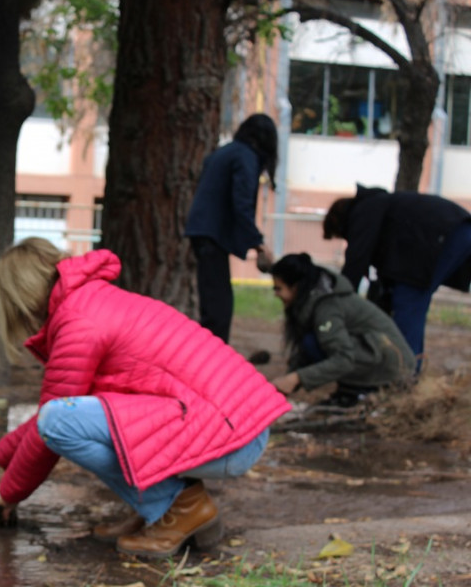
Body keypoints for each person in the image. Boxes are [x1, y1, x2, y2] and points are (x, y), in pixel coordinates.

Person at [0, 238, 290, 558]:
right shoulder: (89, 301)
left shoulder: (78, 321)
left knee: (60, 422)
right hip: (236, 427)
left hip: (232, 437)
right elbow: (59, 411)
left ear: (19, 298)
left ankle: (178, 508)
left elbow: (51, 423)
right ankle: (158, 509)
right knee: (75, 418)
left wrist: (9, 492)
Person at [323, 184, 471, 369]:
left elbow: (357, 258)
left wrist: (338, 300)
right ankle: (409, 368)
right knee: (410, 301)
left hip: (445, 235)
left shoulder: (363, 210)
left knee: (408, 302)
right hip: (456, 230)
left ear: (339, 221)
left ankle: (405, 373)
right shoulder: (378, 206)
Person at [269, 253, 415, 407]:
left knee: (313, 343)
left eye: (278, 288)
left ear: (296, 286)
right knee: (312, 343)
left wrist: (296, 378)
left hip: (392, 367)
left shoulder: (327, 308)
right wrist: (288, 379)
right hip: (379, 355)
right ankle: (352, 390)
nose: (276, 294)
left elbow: (344, 359)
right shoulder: (317, 299)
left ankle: (359, 391)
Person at [184, 113, 278, 343]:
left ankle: (210, 360)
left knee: (215, 304)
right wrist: (257, 243)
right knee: (219, 310)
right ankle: (212, 364)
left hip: (203, 232)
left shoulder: (227, 152)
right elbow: (242, 203)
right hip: (211, 235)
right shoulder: (245, 157)